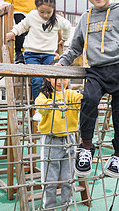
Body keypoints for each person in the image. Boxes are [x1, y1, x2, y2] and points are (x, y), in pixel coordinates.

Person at [56, 0, 119, 178]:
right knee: (88, 101)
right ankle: (86, 147)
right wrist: (63, 63)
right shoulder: (84, 18)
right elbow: (75, 46)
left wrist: (118, 52)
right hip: (96, 71)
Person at [6, 0, 71, 103]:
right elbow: (22, 26)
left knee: (51, 80)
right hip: (32, 54)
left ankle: (51, 103)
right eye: (42, 12)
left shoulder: (57, 20)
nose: (45, 15)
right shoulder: (32, 16)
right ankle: (39, 106)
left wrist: (64, 39)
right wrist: (13, 33)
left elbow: (67, 26)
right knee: (36, 80)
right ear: (37, 8)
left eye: (49, 12)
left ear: (54, 9)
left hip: (49, 54)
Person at [35, 73, 82, 210]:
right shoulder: (45, 95)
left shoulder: (71, 94)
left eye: (65, 78)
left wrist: (88, 99)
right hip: (51, 140)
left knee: (69, 179)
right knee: (50, 180)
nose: (61, 81)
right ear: (49, 78)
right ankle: (48, 206)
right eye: (56, 78)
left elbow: (80, 99)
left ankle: (66, 206)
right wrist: (53, 104)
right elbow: (40, 105)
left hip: (69, 139)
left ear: (69, 79)